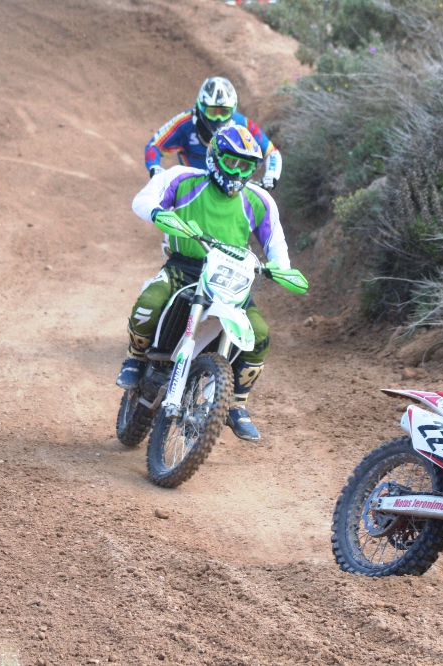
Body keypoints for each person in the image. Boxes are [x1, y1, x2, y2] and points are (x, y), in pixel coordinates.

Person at [117, 124, 291, 442]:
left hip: (231, 276)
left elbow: (275, 241)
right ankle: (136, 358)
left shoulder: (259, 200)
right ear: (214, 158)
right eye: (232, 162)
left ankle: (236, 403)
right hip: (184, 267)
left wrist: (281, 268)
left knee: (260, 334)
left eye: (246, 166)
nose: (238, 171)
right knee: (149, 303)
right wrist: (158, 214)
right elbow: (143, 199)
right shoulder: (183, 178)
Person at [144, 77, 282, 189]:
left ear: (232, 111)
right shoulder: (184, 123)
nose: (218, 119)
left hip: (231, 188)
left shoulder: (242, 124)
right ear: (200, 107)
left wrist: (271, 176)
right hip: (192, 187)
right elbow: (154, 145)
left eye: (224, 112)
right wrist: (155, 168)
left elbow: (271, 152)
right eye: (212, 112)